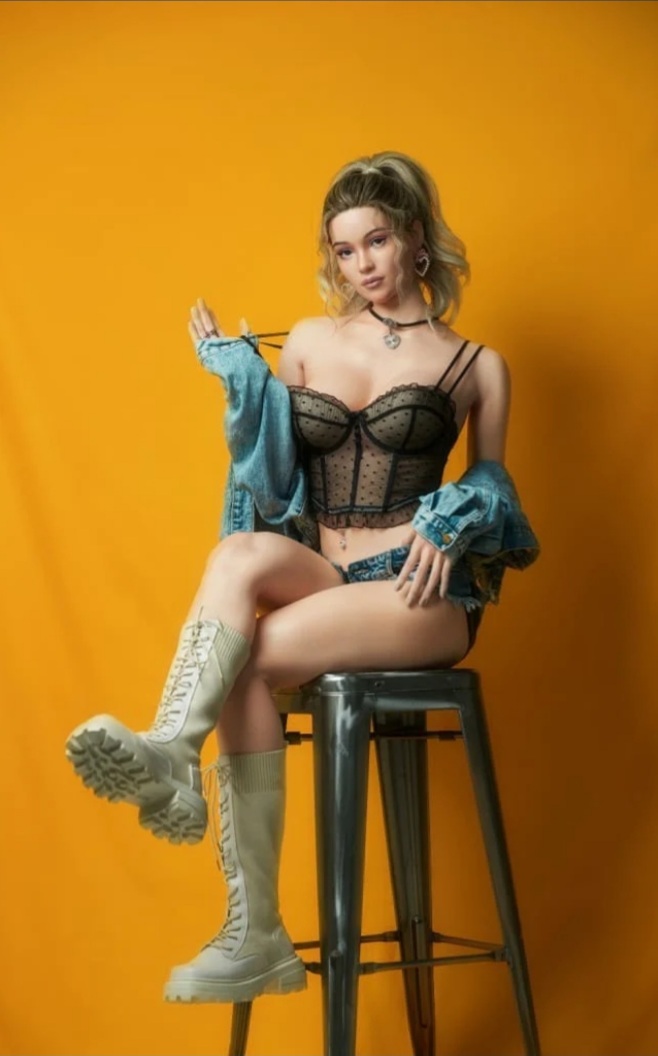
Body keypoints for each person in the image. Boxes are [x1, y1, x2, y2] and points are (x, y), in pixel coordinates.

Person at [65, 151, 539, 1006]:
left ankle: (253, 931)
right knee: (237, 558)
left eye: (376, 242)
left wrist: (455, 514)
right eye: (344, 250)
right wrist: (247, 392)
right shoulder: (311, 342)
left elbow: (496, 487)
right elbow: (276, 487)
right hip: (327, 568)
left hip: (417, 593)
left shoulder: (476, 365)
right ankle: (172, 751)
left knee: (248, 659)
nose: (362, 265)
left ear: (416, 238)